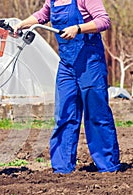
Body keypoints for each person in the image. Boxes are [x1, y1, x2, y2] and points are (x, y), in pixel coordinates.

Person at [14, 0, 120, 173]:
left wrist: (78, 28)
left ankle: (108, 166)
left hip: (90, 62)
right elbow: (43, 15)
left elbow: (103, 21)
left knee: (96, 114)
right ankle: (62, 168)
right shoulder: (53, 1)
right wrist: (22, 25)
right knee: (64, 113)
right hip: (67, 65)